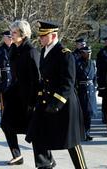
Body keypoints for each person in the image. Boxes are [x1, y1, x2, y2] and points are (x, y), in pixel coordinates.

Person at [26, 21, 87, 169]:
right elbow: (44, 81)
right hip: (47, 100)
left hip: (64, 103)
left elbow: (68, 84)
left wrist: (56, 104)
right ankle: (45, 165)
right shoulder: (44, 52)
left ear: (53, 35)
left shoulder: (65, 54)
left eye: (43, 35)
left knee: (71, 141)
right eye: (40, 35)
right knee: (36, 132)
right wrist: (38, 100)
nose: (40, 38)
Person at [1, 20, 39, 165]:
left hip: (29, 98)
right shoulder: (13, 49)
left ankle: (46, 160)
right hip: (16, 94)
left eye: (14, 32)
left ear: (23, 35)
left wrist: (34, 101)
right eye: (11, 31)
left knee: (34, 131)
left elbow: (37, 79)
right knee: (6, 123)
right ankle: (17, 155)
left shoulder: (31, 51)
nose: (11, 34)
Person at [76, 46, 97, 141]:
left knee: (89, 113)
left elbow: (95, 77)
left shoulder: (92, 63)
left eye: (90, 52)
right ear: (82, 53)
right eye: (86, 53)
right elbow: (75, 78)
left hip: (90, 89)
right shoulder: (77, 63)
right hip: (81, 89)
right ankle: (81, 133)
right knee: (82, 113)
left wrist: (95, 86)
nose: (88, 54)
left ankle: (87, 132)